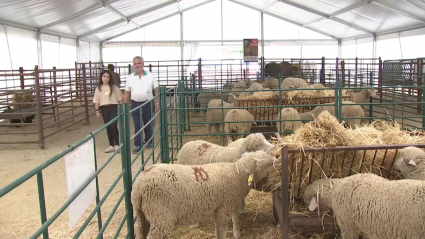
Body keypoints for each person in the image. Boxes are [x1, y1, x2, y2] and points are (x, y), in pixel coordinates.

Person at [123, 56, 159, 154]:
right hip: (135, 103)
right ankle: (138, 144)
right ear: (133, 66)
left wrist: (156, 103)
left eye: (139, 63)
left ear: (143, 64)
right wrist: (124, 105)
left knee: (148, 123)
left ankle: (149, 141)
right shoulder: (130, 77)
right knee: (137, 124)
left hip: (148, 102)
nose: (137, 65)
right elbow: (127, 91)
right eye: (135, 64)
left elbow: (156, 89)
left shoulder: (150, 76)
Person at [93, 70, 123, 153]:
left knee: (113, 125)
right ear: (101, 77)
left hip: (113, 107)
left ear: (110, 78)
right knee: (108, 127)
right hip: (104, 108)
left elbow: (120, 99)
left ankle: (117, 144)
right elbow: (96, 100)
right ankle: (111, 145)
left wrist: (121, 110)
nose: (106, 78)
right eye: (104, 76)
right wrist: (97, 110)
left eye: (108, 77)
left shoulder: (114, 88)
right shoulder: (99, 88)